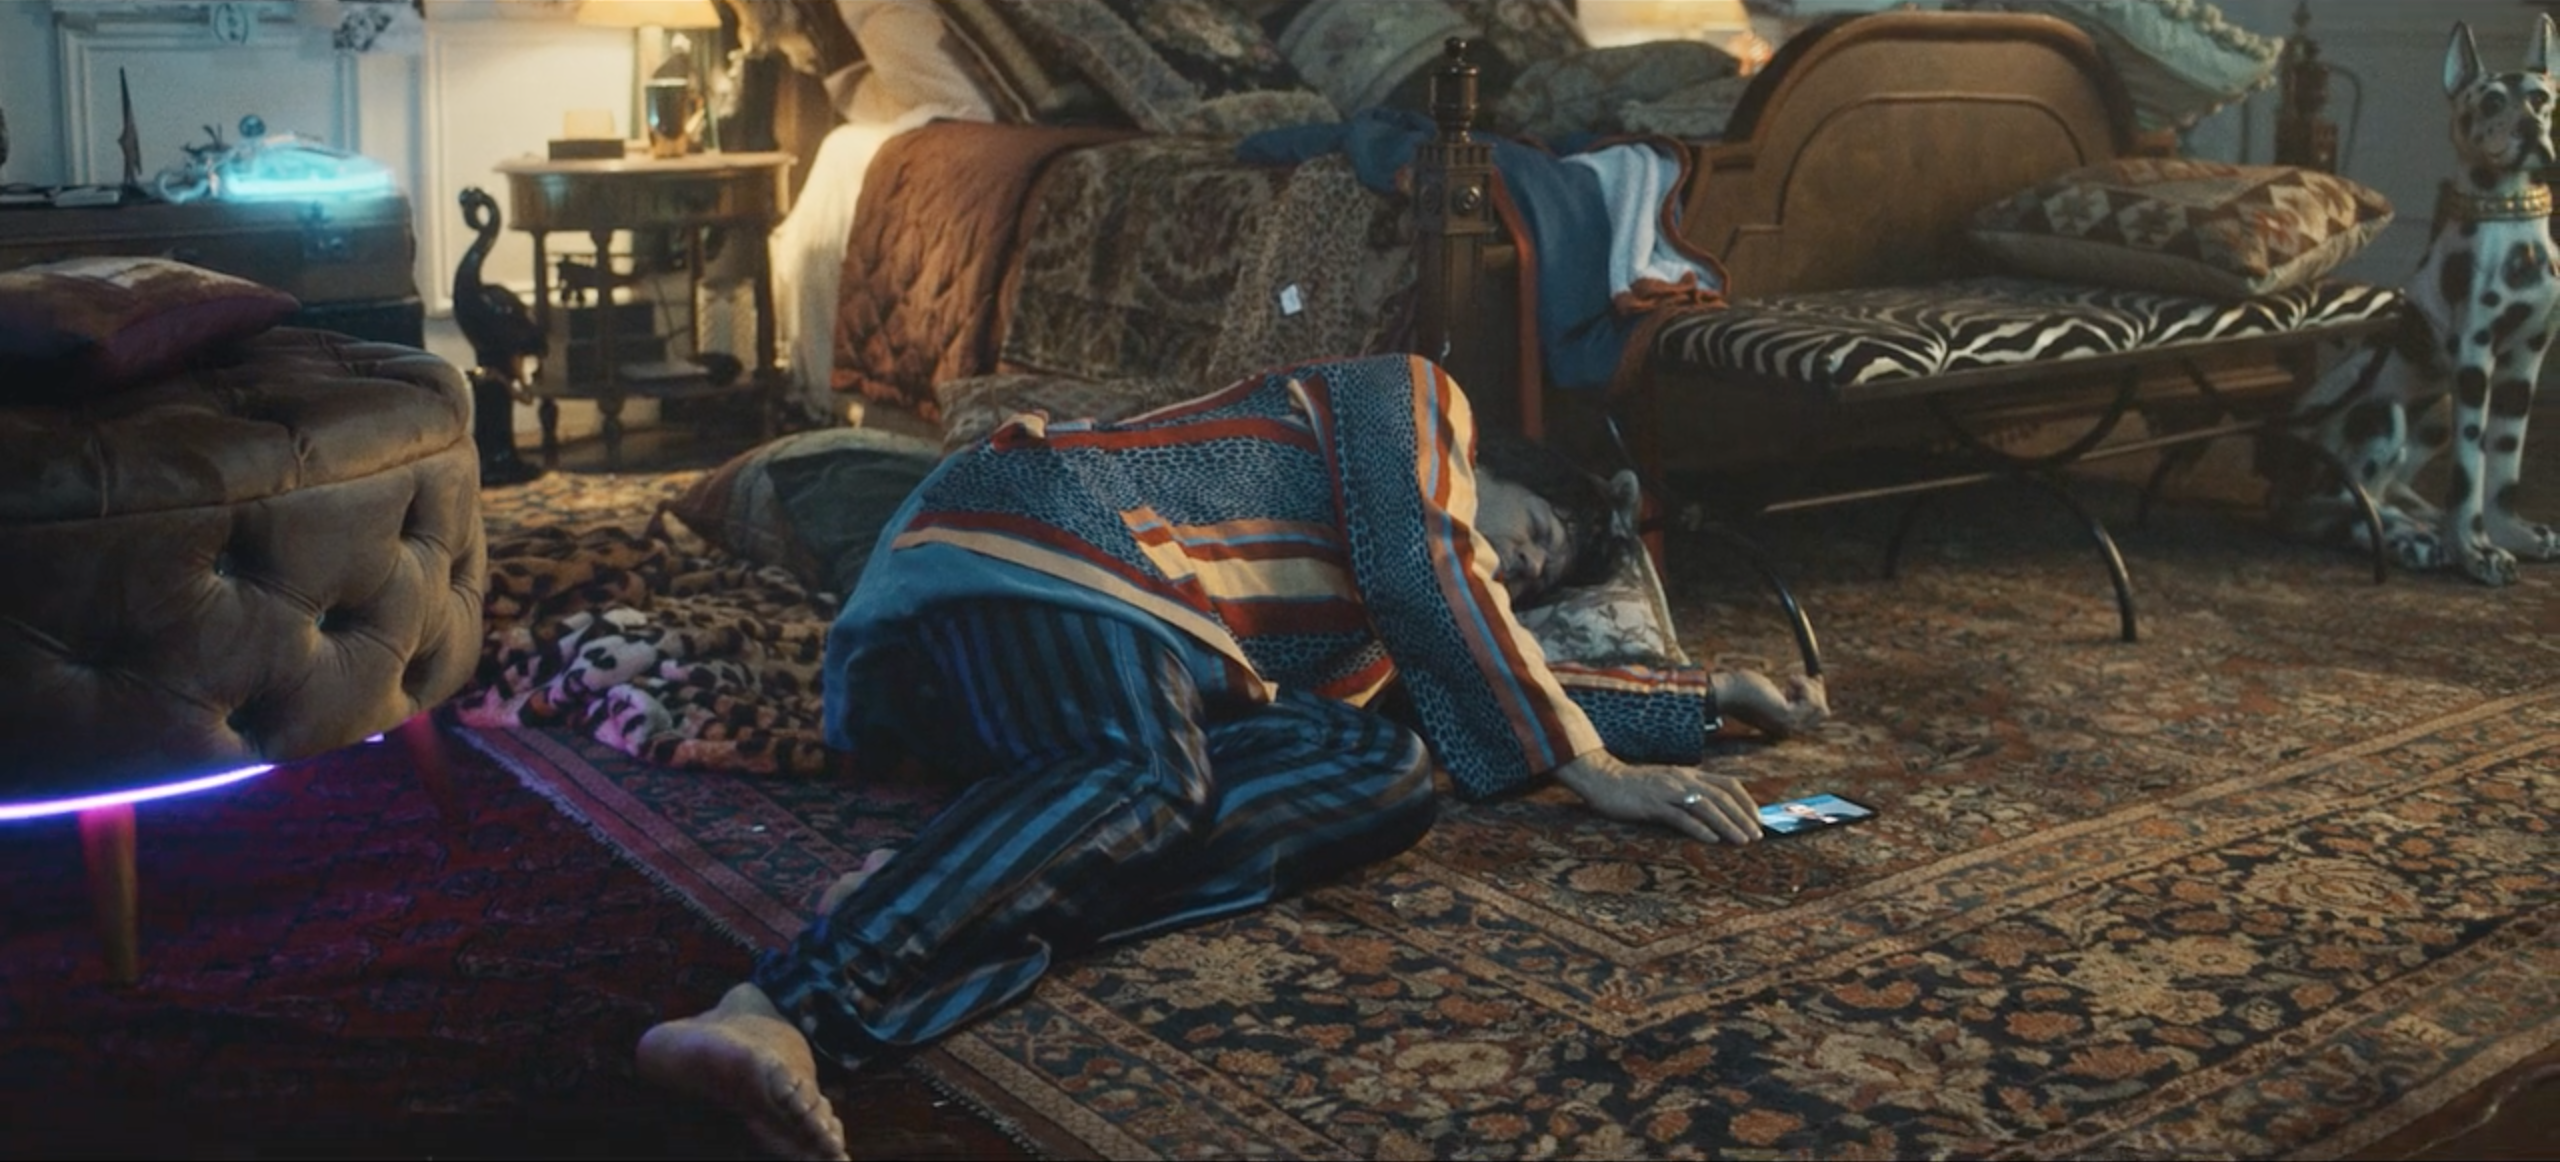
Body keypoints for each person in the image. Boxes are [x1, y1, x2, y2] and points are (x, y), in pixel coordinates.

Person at [635, 354, 1827, 1160]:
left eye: (1540, 578)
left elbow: (1473, 678)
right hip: (1037, 544)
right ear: (1499, 472)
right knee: (1153, 778)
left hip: (1111, 675)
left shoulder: (1372, 627)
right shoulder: (1411, 401)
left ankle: (954, 880)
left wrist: (1709, 697)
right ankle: (778, 1006)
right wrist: (1594, 772)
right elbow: (1437, 575)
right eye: (1535, 532)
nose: (1519, 569)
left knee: (1380, 767)